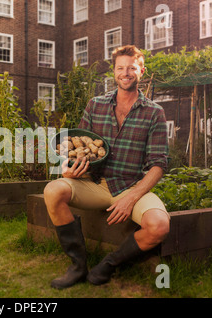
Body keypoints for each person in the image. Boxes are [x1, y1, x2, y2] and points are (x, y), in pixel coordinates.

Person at [43, 45, 170, 289]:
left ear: (141, 71)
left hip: (129, 185)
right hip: (93, 183)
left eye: (131, 68)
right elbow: (73, 145)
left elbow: (158, 164)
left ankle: (108, 264)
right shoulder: (96, 104)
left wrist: (131, 198)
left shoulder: (155, 113)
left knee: (159, 226)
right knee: (53, 190)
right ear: (114, 72)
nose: (126, 73)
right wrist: (68, 168)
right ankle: (78, 267)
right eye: (120, 68)